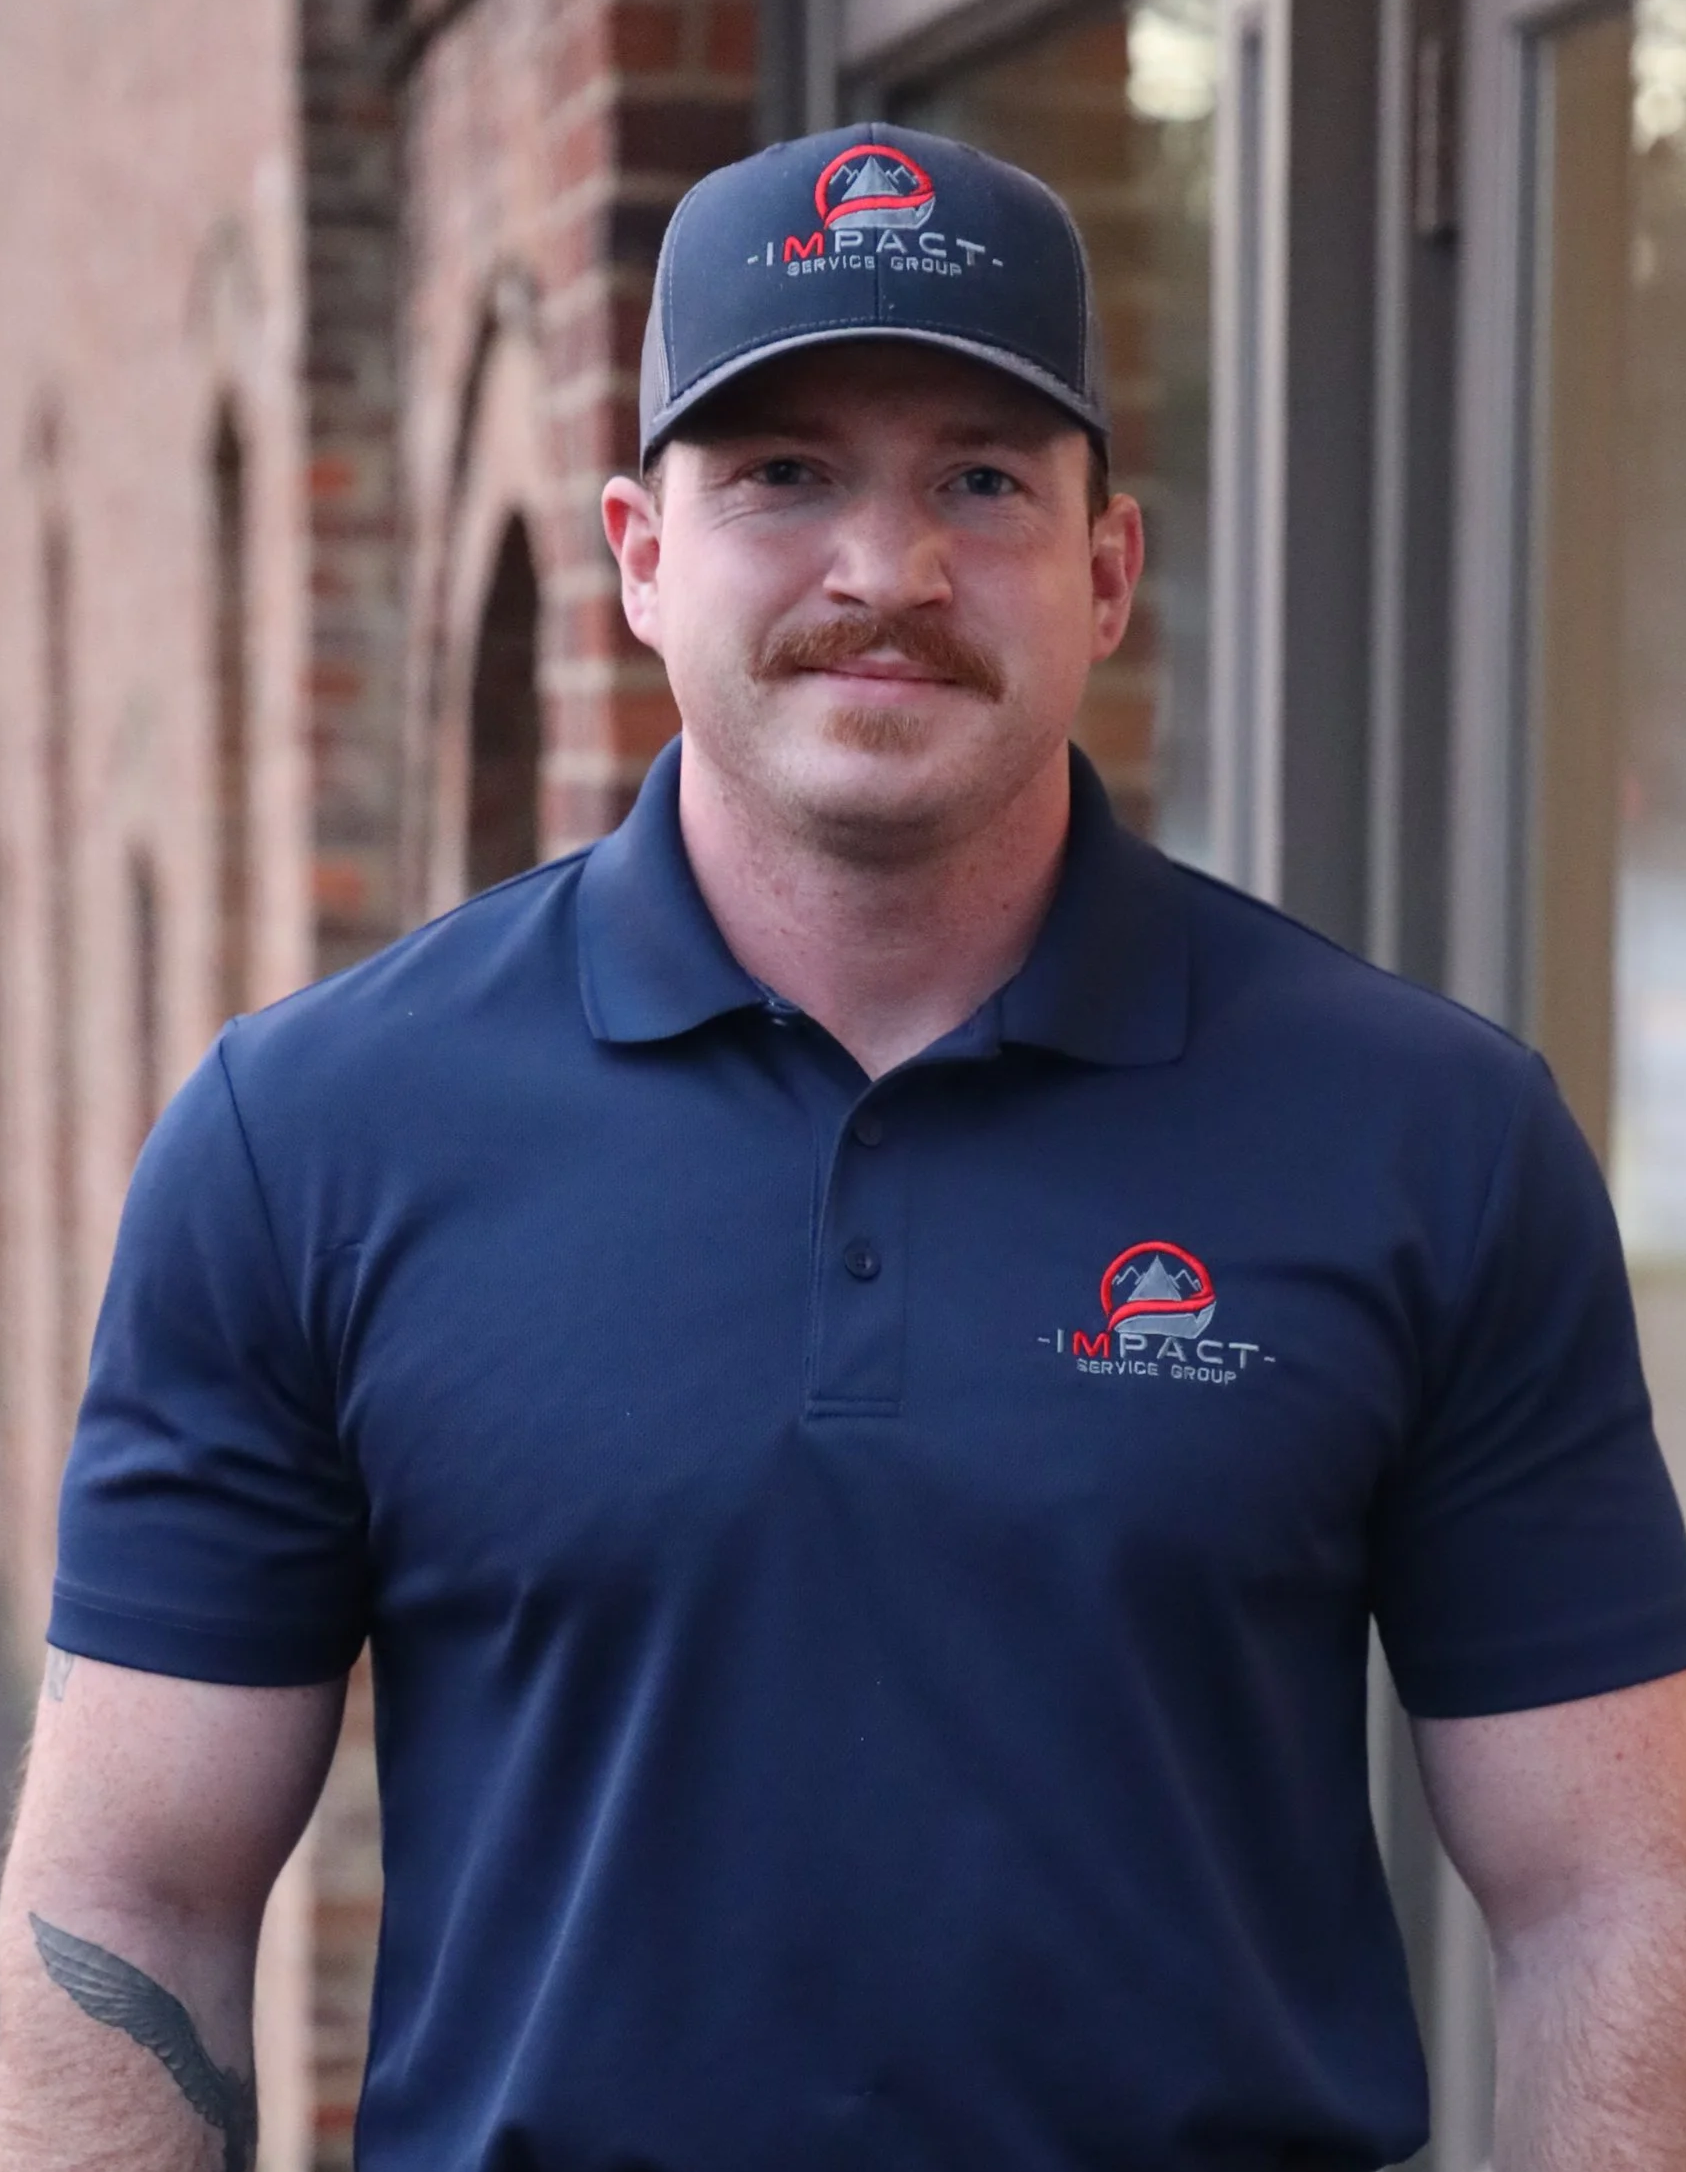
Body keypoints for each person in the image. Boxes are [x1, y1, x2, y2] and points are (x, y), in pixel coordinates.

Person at [3, 124, 1686, 2172]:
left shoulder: (1430, 1139)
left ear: (1106, 569)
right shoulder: (312, 1140)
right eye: (782, 473)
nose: (882, 570)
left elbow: (1619, 1885)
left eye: (980, 477)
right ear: (638, 552)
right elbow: (126, 1905)